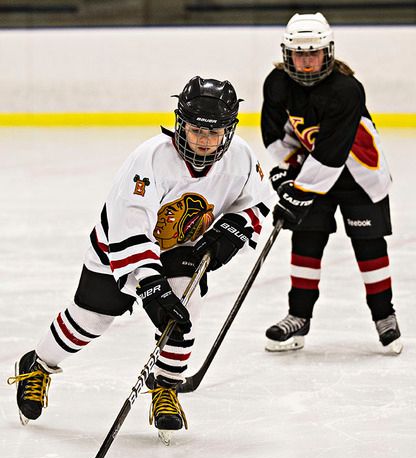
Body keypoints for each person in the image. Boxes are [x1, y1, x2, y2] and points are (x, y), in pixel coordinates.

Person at [8, 76, 271, 433]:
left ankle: (165, 387)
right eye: (196, 131)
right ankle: (39, 362)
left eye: (215, 133)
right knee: (91, 320)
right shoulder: (150, 160)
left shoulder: (240, 158)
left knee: (183, 310)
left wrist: (234, 230)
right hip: (118, 249)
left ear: (229, 131)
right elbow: (130, 229)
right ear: (180, 124)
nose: (205, 142)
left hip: (180, 249)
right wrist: (150, 284)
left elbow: (255, 202)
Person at [261, 13, 402, 354]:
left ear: (328, 52)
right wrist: (284, 170)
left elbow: (332, 153)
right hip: (313, 169)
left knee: (369, 246)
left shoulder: (346, 89)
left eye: (314, 53)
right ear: (287, 53)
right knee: (306, 240)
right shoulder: (277, 83)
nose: (306, 61)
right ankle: (298, 317)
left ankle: (385, 316)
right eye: (299, 53)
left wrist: (298, 190)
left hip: (358, 174)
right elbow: (275, 131)